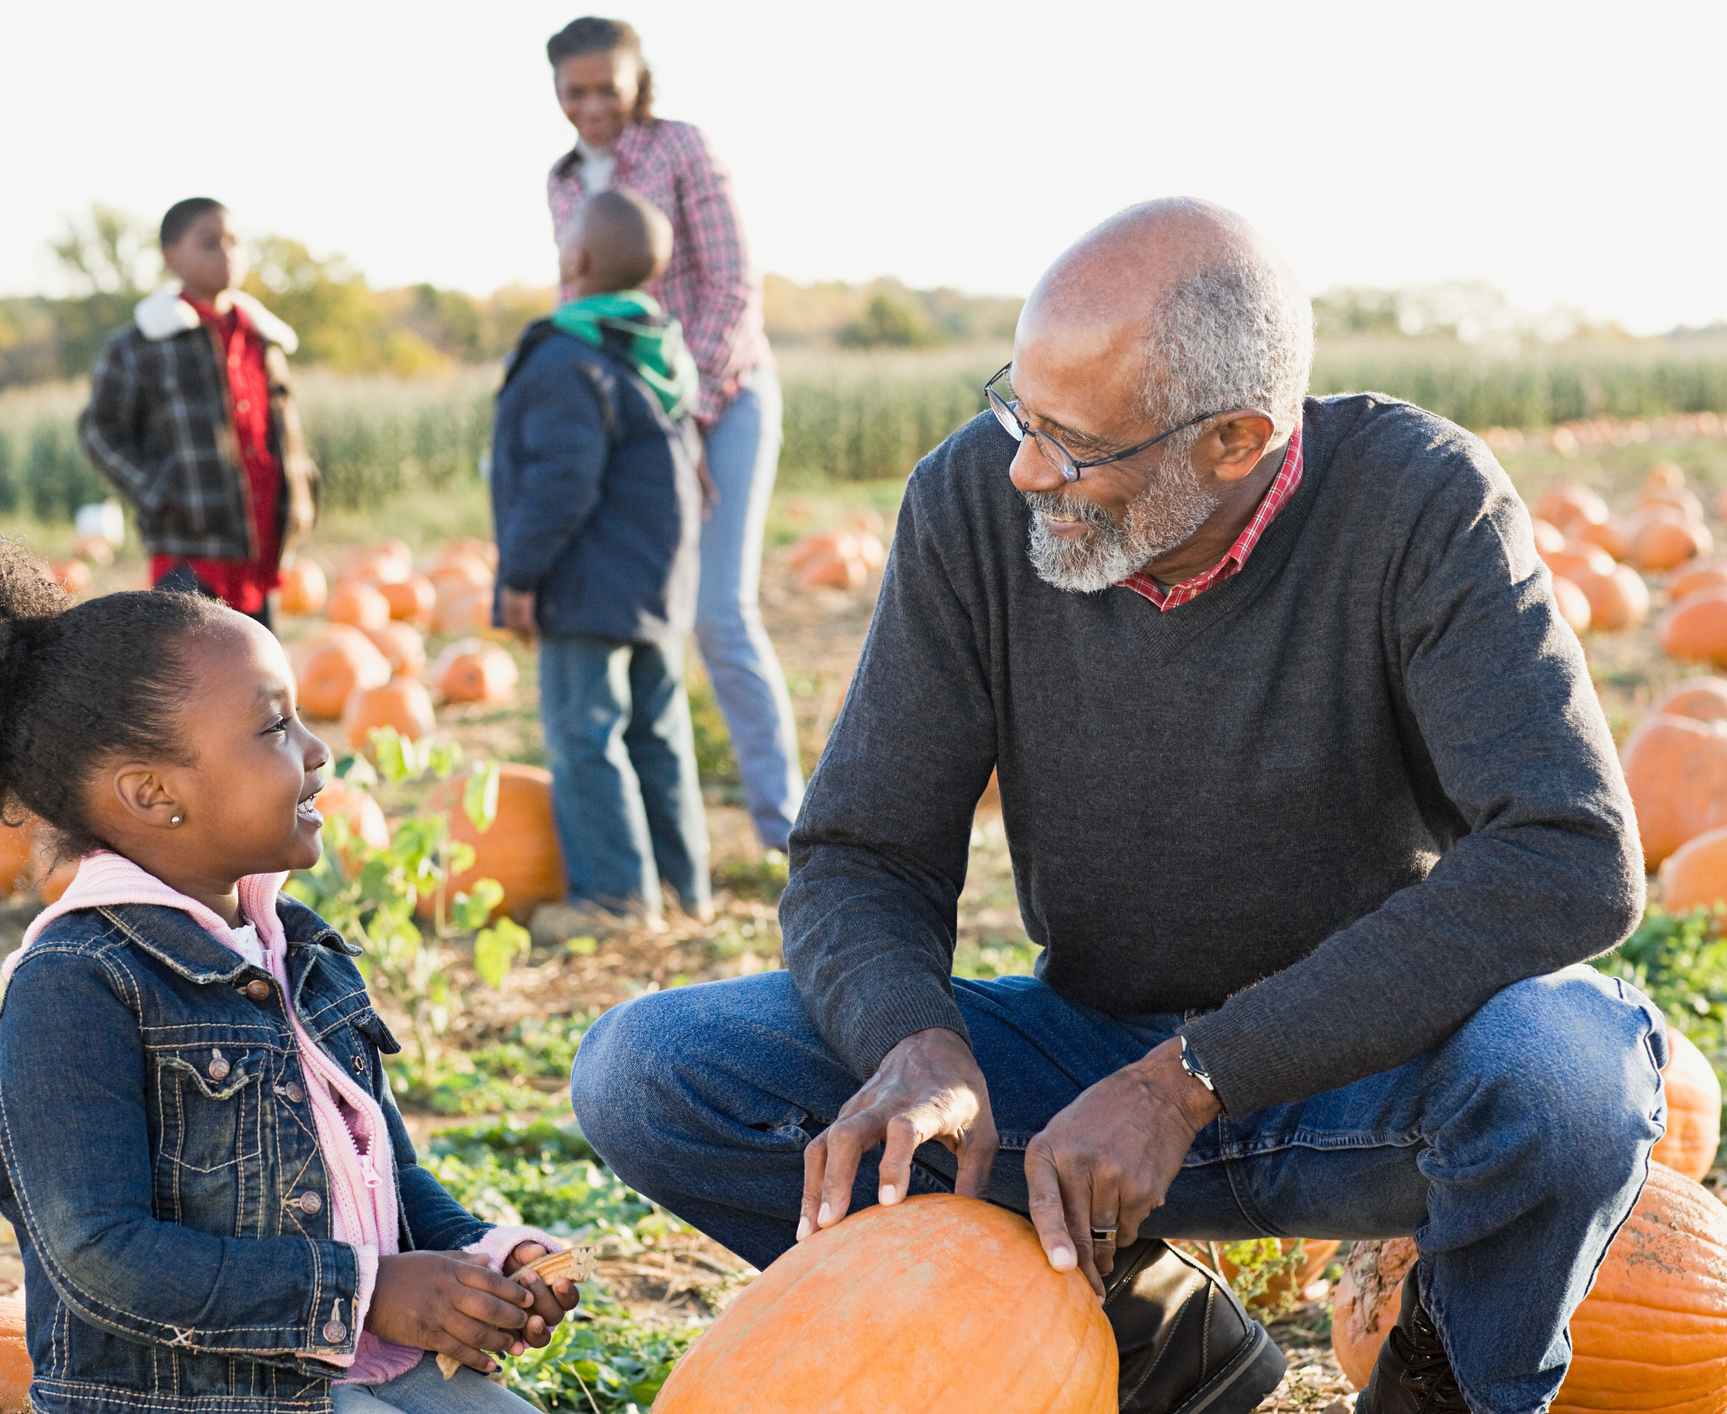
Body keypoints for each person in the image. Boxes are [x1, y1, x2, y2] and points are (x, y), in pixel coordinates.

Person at [571, 199, 1667, 1414]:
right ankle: (1154, 1339)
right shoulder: (973, 506)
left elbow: (1570, 853)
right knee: (653, 1069)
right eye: (1017, 411)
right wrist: (914, 1043)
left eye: (1073, 444)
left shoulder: (1422, 503)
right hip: (1081, 1065)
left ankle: (1443, 1380)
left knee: (1570, 1080)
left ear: (1238, 440)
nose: (1026, 467)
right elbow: (862, 851)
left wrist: (1191, 1078)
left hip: (1374, 1071)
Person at [0, 537, 580, 1414]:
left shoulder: (291, 948)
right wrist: (367, 1293)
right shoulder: (77, 984)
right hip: (193, 1397)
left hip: (344, 1362)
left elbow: (384, 1175)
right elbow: (101, 1253)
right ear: (152, 795)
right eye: (275, 727)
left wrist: (481, 1257)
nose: (319, 749)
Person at [544, 17, 801, 851]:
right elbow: (577, 302)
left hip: (722, 396)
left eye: (605, 88)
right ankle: (668, 834)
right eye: (573, 91)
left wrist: (683, 412)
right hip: (635, 420)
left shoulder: (681, 149)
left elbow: (731, 287)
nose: (591, 106)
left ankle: (787, 828)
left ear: (636, 81)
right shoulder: (560, 182)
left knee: (719, 612)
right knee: (647, 615)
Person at [493, 189, 709, 939]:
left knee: (584, 735)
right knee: (655, 731)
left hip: (585, 582)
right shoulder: (659, 353)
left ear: (575, 259)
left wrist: (520, 576)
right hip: (656, 580)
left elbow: (560, 479)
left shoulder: (565, 355)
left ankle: (615, 899)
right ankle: (683, 889)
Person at [80, 197, 318, 630]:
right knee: (191, 684)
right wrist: (159, 490)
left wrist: (305, 487)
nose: (226, 252)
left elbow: (279, 432)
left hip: (262, 548)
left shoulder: (264, 339)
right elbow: (99, 429)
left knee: (256, 683)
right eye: (209, 243)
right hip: (189, 554)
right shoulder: (140, 344)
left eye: (234, 242)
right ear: (172, 256)